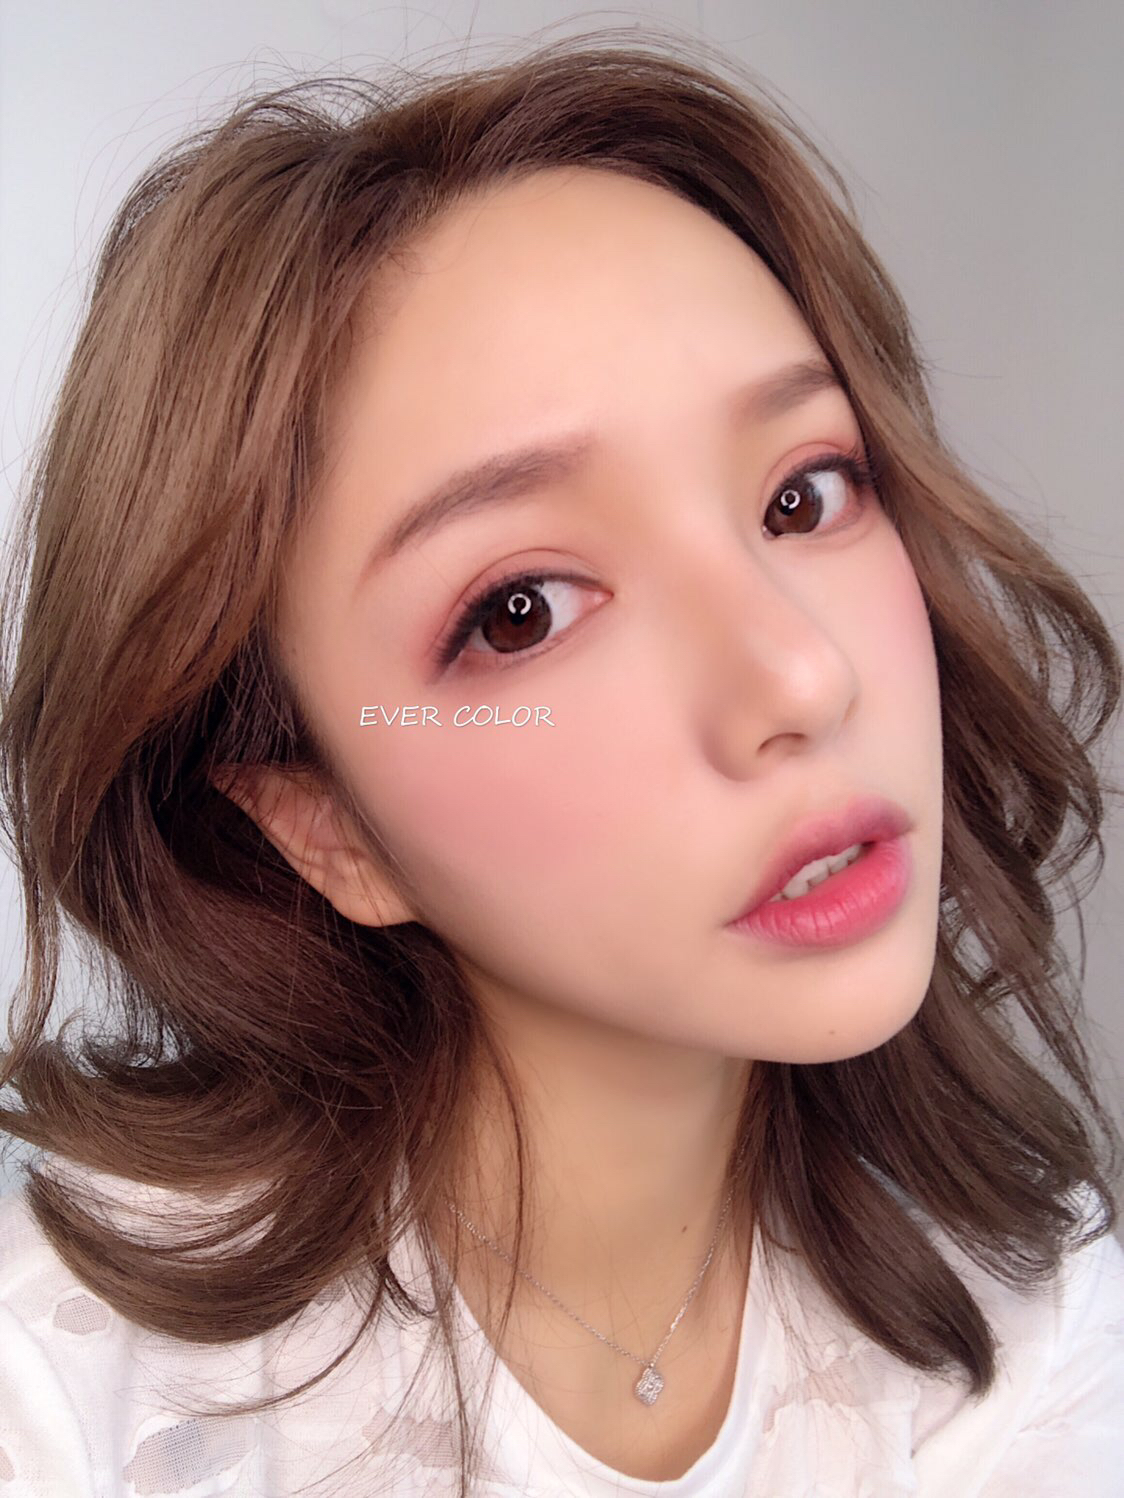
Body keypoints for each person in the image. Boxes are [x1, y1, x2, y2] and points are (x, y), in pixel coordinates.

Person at [0, 25, 1121, 1498]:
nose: (803, 675)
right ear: (324, 822)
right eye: (520, 611)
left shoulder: (1023, 1324)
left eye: (803, 495)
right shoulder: (70, 1410)